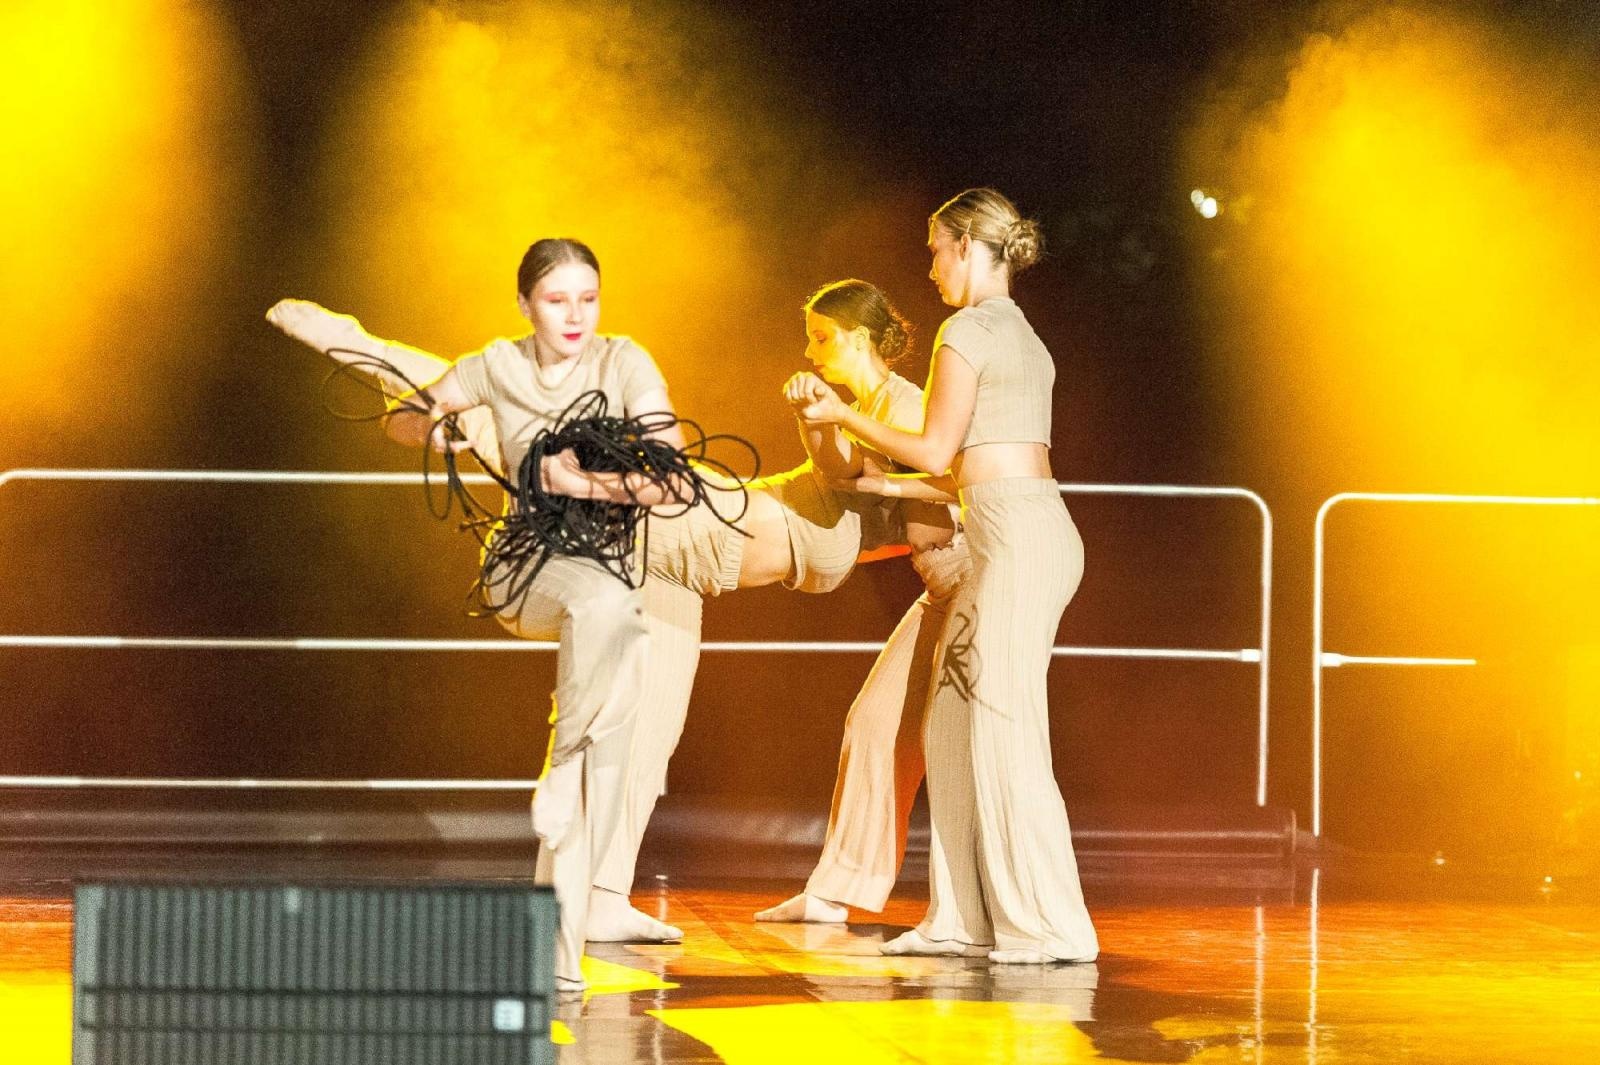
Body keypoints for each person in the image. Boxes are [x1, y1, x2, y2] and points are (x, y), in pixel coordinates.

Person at [269, 277, 951, 939]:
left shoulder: (907, 412)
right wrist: (822, 420)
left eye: (822, 339)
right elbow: (850, 477)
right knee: (515, 427)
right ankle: (359, 346)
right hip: (707, 524)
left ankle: (599, 895)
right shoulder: (859, 407)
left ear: (861, 337)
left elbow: (936, 500)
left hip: (683, 572)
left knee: (646, 733)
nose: (810, 354)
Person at [270, 238, 683, 993]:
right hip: (525, 567)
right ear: (525, 303)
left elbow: (675, 482)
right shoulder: (497, 362)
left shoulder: (625, 361)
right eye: (557, 300)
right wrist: (434, 430)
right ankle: (341, 335)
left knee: (602, 755)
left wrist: (588, 485)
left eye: (588, 298)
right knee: (598, 645)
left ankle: (559, 961)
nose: (576, 316)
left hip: (610, 580)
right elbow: (404, 419)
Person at [793, 188, 1098, 965]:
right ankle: (960, 918)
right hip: (1013, 530)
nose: (928, 266)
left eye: (935, 248)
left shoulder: (967, 329)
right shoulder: (1022, 336)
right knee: (950, 723)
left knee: (1003, 727)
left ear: (966, 244)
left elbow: (933, 450)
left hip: (1020, 541)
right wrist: (885, 487)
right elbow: (965, 467)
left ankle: (1049, 927)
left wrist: (838, 415)